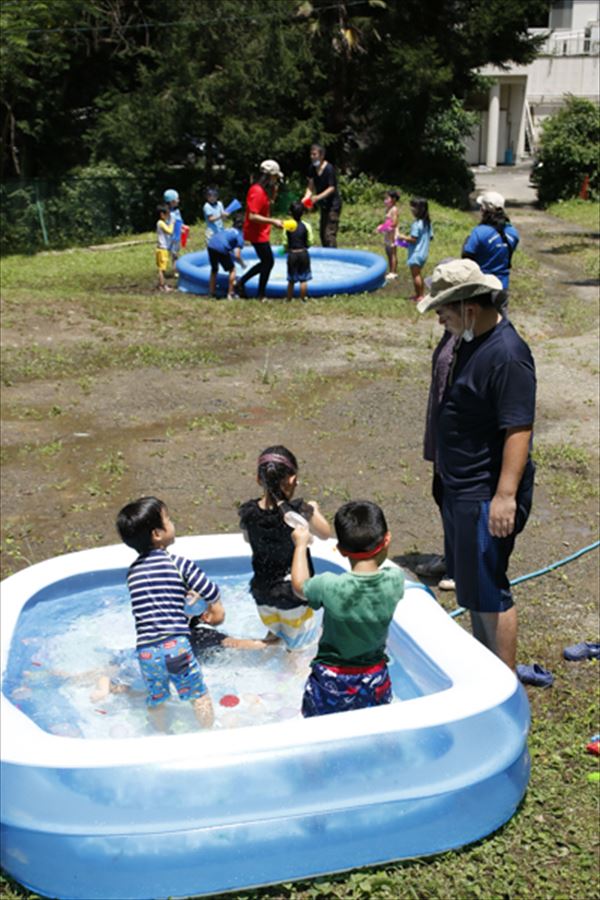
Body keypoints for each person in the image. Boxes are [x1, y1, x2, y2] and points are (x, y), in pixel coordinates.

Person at [417, 259, 536, 671]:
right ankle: (484, 670)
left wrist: (504, 496)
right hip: (458, 486)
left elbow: (518, 428)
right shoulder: (469, 338)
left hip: (485, 493)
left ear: (470, 307)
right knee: (470, 587)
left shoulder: (507, 355)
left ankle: (503, 686)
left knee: (490, 591)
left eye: (444, 311)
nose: (440, 320)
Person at [116, 496, 223, 730]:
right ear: (157, 534)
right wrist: (215, 608)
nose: (173, 523)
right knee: (198, 695)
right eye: (169, 519)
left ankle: (161, 735)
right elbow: (209, 590)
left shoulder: (132, 573)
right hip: (175, 645)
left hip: (146, 651)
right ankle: (208, 734)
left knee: (157, 699)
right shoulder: (178, 564)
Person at [291, 500, 404, 717]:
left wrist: (300, 545)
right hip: (375, 677)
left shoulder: (329, 586)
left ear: (341, 550)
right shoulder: (395, 581)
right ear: (387, 539)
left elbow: (299, 586)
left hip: (331, 678)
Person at [238, 445, 331, 650]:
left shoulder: (248, 512)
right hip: (293, 599)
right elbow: (325, 534)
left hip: (262, 595)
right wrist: (314, 510)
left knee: (276, 632)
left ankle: (270, 642)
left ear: (258, 480)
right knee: (298, 651)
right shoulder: (300, 512)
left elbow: (247, 539)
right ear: (292, 479)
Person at [236, 160, 284, 301]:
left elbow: (266, 206)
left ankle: (244, 284)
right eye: (275, 177)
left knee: (266, 262)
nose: (276, 180)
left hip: (261, 232)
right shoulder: (256, 190)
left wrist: (274, 193)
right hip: (256, 233)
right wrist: (273, 221)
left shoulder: (261, 190)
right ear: (270, 175)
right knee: (268, 262)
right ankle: (258, 293)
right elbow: (252, 216)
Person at [462, 191, 519, 298]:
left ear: (483, 210)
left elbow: (466, 256)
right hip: (502, 286)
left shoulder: (479, 232)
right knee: (501, 314)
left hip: (482, 285)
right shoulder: (513, 232)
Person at [303, 143, 342, 248]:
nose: (312, 157)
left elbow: (332, 188)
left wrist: (317, 197)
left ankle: (334, 259)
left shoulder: (329, 168)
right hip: (323, 205)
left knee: (329, 234)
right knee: (322, 234)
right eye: (311, 154)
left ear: (322, 155)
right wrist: (306, 197)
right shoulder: (312, 168)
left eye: (314, 154)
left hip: (333, 205)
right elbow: (310, 186)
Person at [396, 197, 433, 301]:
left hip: (416, 254)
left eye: (413, 207)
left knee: (416, 275)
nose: (411, 209)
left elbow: (413, 239)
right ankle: (419, 294)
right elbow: (430, 237)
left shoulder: (416, 224)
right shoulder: (427, 223)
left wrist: (402, 237)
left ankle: (420, 296)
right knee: (418, 274)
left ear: (419, 209)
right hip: (423, 253)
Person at [207, 213, 246, 299]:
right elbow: (237, 255)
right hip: (221, 247)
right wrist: (243, 264)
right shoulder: (239, 235)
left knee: (214, 270)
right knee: (232, 269)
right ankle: (230, 293)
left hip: (211, 244)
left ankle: (211, 293)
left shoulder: (228, 229)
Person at [283, 200, 313, 301]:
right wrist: (306, 246)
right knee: (303, 279)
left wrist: (286, 249)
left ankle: (289, 299)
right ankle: (303, 298)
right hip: (303, 253)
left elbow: (285, 242)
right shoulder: (306, 226)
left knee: (291, 279)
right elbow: (310, 241)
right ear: (303, 213)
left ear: (290, 213)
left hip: (292, 254)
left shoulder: (287, 226)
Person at [376, 190, 400, 279]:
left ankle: (394, 272)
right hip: (388, 233)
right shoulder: (388, 209)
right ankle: (391, 271)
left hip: (393, 234)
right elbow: (388, 221)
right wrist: (383, 227)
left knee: (393, 253)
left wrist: (382, 227)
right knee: (388, 252)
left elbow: (394, 223)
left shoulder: (394, 209)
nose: (385, 200)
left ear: (393, 199)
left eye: (387, 198)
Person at [163, 189, 184, 272]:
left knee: (175, 254)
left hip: (177, 236)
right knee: (169, 254)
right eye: (177, 199)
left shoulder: (177, 211)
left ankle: (175, 270)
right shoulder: (168, 213)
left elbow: (180, 222)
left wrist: (183, 228)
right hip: (170, 237)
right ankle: (163, 270)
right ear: (172, 201)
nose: (178, 200)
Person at [155, 204, 174, 292]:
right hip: (162, 249)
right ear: (162, 214)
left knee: (162, 268)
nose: (168, 216)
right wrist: (172, 223)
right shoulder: (161, 223)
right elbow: (169, 231)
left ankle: (162, 285)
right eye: (167, 214)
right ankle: (162, 286)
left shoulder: (161, 223)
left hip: (161, 248)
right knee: (162, 269)